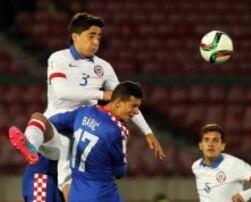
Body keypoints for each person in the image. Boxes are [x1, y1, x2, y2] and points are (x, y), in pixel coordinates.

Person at [11, 12, 165, 202]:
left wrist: (147, 131)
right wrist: (101, 95)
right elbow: (62, 92)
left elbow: (126, 100)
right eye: (91, 36)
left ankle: (33, 148)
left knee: (70, 156)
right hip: (54, 134)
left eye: (99, 37)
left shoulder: (104, 67)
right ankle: (30, 147)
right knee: (39, 120)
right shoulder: (59, 58)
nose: (95, 42)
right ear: (75, 36)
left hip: (80, 135)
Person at [10, 81, 143, 202]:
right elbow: (120, 172)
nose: (137, 112)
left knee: (38, 118)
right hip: (93, 190)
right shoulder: (116, 129)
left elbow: (51, 121)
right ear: (118, 102)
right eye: (134, 106)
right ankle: (31, 144)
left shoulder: (83, 113)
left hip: (67, 183)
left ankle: (31, 142)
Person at [192, 124, 251, 202]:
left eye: (215, 140)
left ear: (222, 146)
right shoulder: (196, 167)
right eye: (206, 140)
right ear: (200, 145)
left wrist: (246, 194)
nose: (210, 144)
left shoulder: (234, 165)